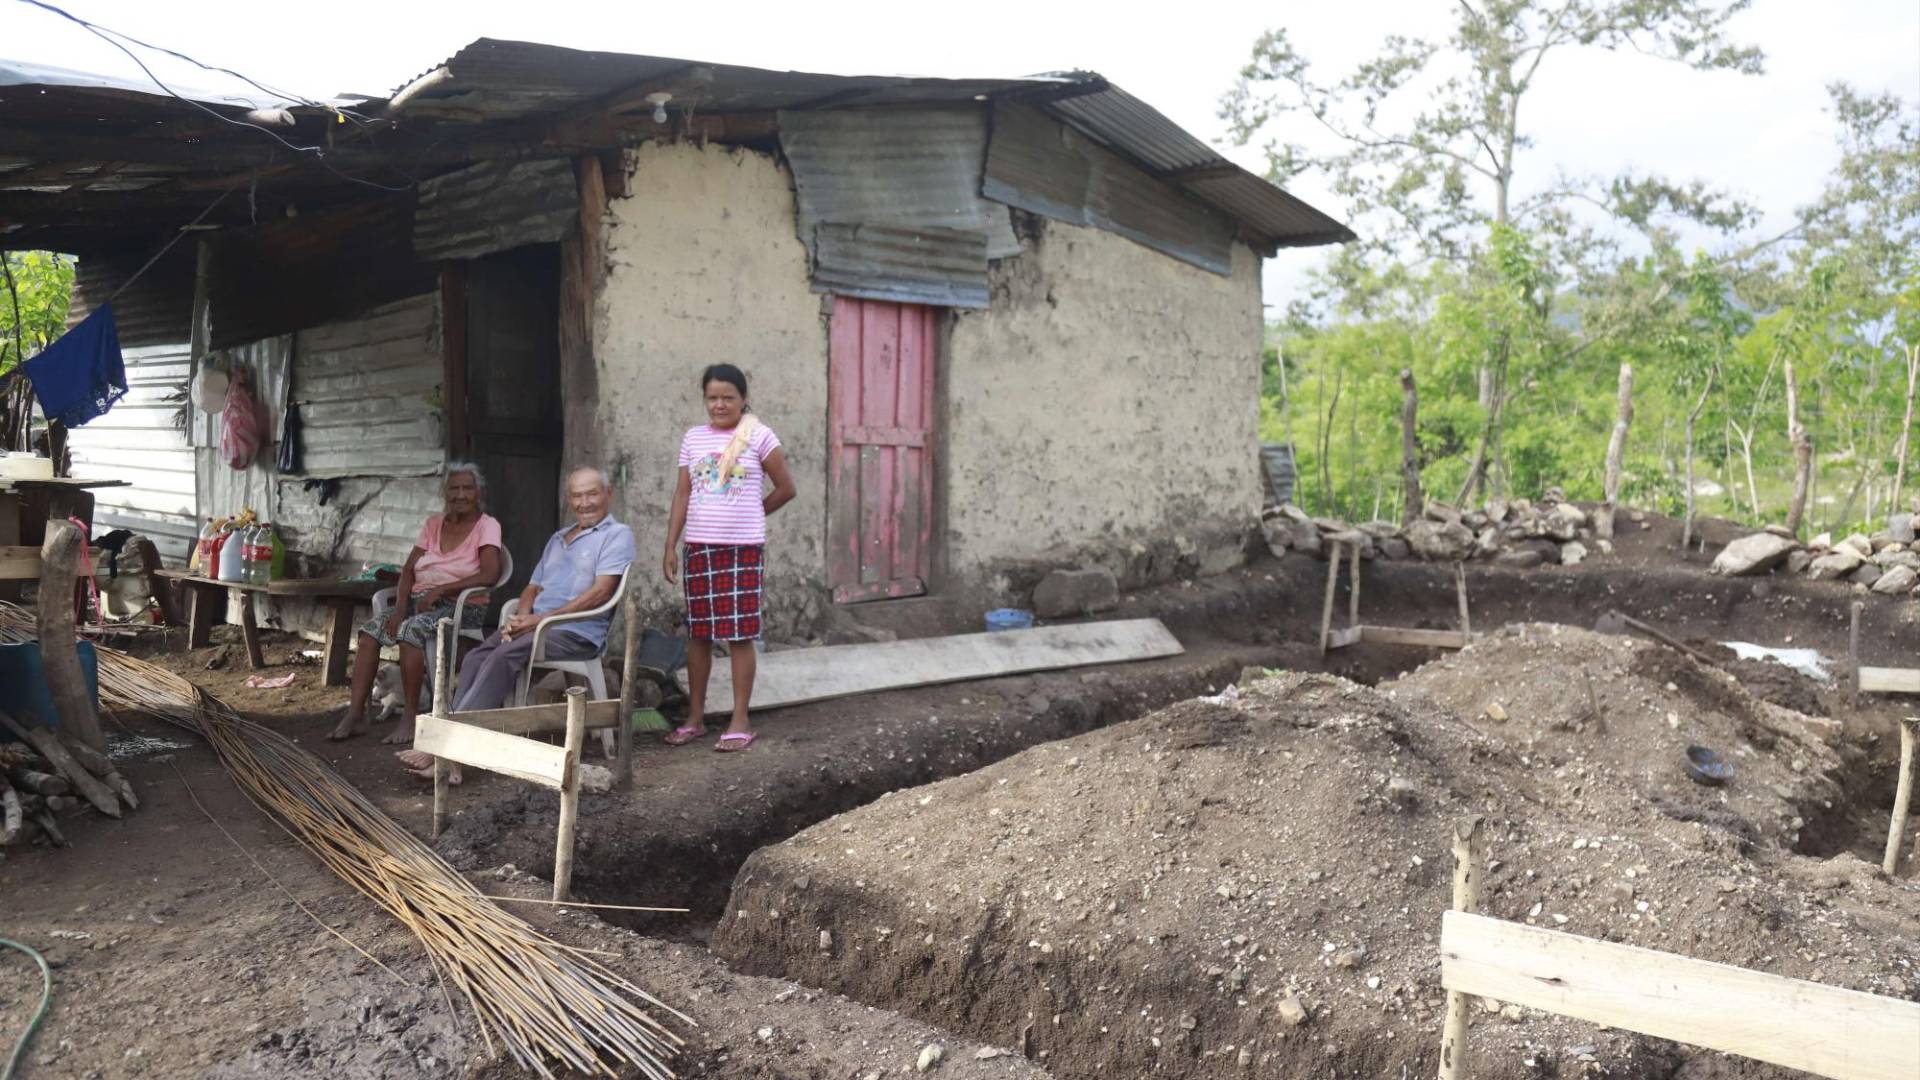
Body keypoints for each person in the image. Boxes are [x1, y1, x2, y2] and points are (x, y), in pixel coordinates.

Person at [397, 466, 634, 782]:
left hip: (575, 631)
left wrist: (540, 619)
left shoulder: (617, 535)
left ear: (608, 494)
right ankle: (451, 752)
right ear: (570, 499)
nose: (585, 502)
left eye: (592, 493)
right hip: (537, 626)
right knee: (477, 656)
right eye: (577, 495)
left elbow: (601, 593)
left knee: (502, 656)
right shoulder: (558, 538)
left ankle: (445, 747)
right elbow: (532, 588)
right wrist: (521, 617)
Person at [661, 363, 797, 752]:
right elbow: (683, 494)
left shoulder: (760, 437)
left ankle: (740, 719)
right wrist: (671, 544)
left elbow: (786, 488)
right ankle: (696, 717)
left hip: (742, 549)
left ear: (742, 399)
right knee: (699, 633)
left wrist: (756, 513)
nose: (719, 405)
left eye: (728, 398)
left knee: (739, 634)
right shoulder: (693, 438)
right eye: (712, 398)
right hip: (699, 548)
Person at [328, 463, 502, 743]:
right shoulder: (434, 524)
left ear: (478, 492)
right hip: (419, 602)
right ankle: (356, 713)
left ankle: (411, 718)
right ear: (445, 492)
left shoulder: (487, 526)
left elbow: (490, 574)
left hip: (461, 607)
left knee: (411, 633)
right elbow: (409, 570)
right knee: (369, 633)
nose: (460, 494)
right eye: (454, 488)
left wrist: (443, 589)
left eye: (467, 488)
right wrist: (398, 608)